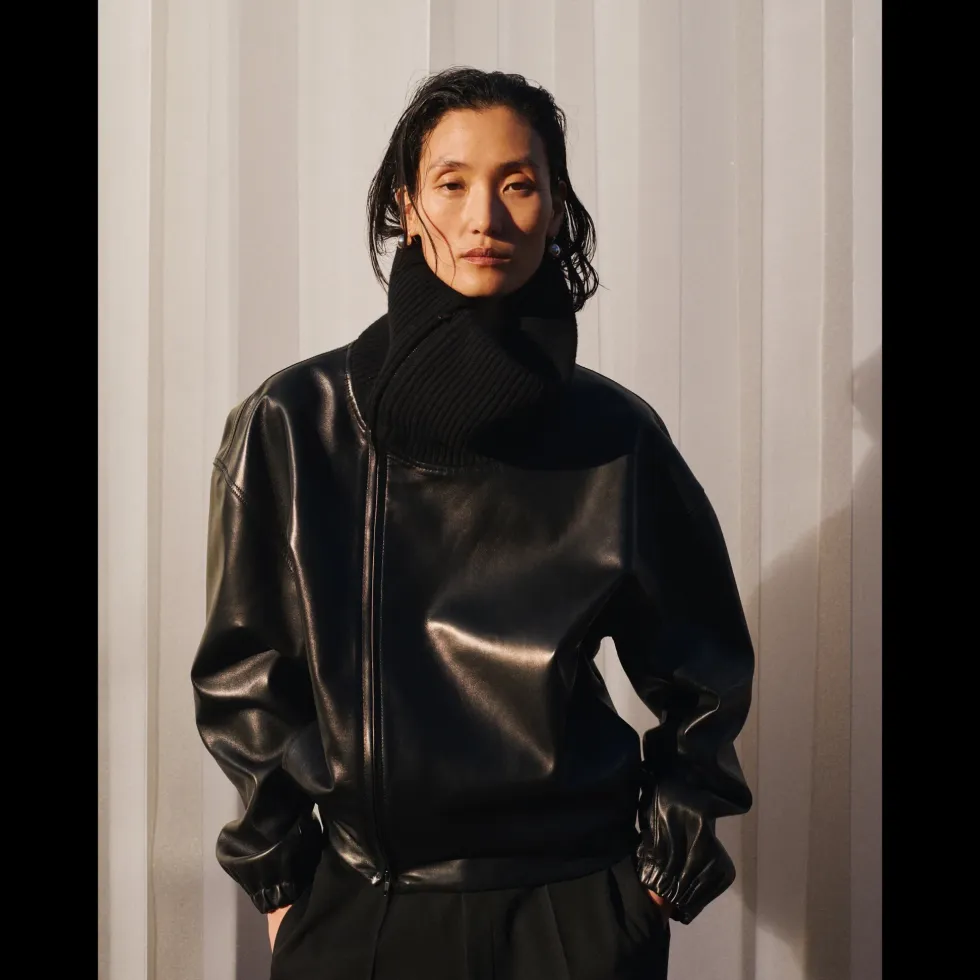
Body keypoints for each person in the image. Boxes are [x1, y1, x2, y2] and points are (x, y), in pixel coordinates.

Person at [192, 66, 755, 980]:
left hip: (573, 907)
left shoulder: (616, 435)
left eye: (517, 183)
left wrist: (651, 889)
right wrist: (283, 884)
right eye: (452, 183)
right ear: (408, 207)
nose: (484, 216)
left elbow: (708, 676)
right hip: (363, 904)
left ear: (555, 208)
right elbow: (243, 676)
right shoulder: (295, 422)